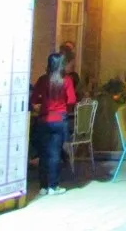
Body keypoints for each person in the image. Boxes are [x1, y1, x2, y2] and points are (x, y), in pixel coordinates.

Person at [30, 52, 77, 196]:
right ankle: (53, 186)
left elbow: (34, 98)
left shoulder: (43, 80)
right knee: (55, 154)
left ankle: (43, 186)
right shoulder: (66, 80)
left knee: (44, 154)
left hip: (44, 120)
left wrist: (42, 104)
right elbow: (71, 100)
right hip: (59, 120)